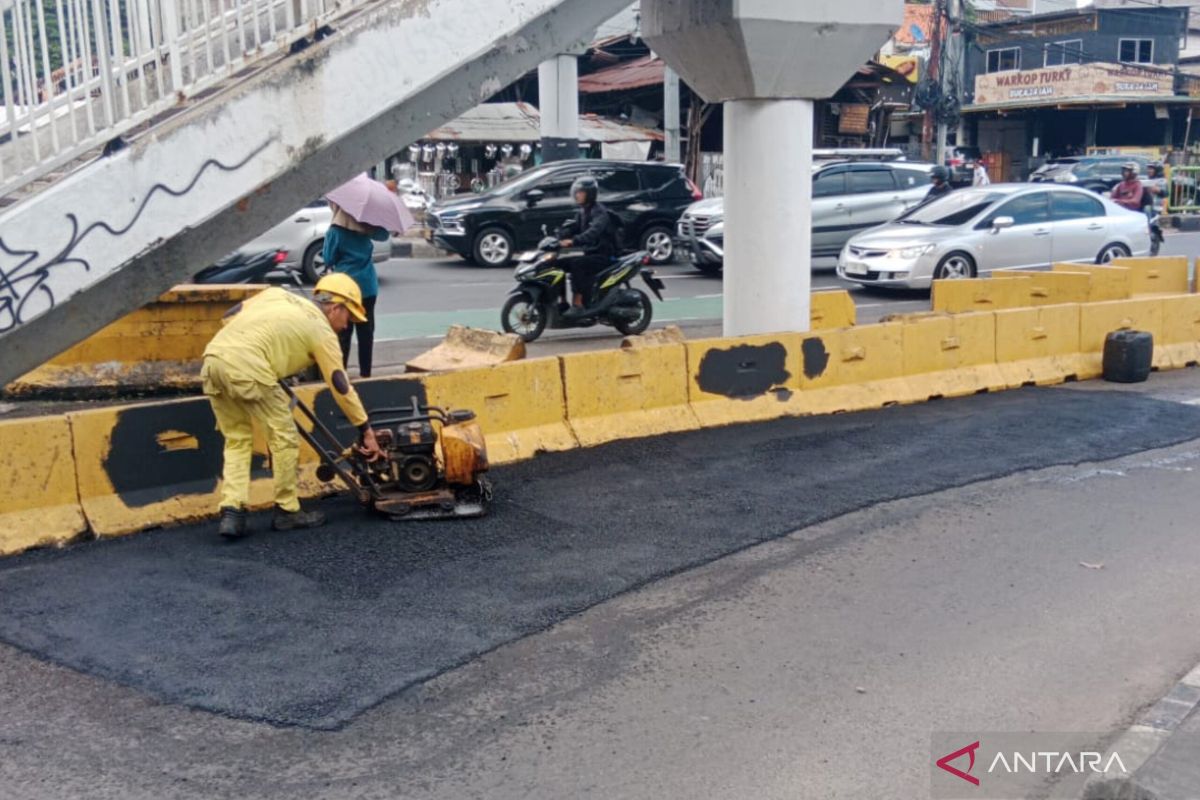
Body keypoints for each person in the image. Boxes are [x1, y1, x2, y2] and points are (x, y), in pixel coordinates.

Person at [201, 275, 383, 539]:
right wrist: (365, 429)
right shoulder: (320, 329)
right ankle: (287, 511)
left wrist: (275, 348)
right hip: (250, 368)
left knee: (237, 439)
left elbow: (230, 316)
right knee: (284, 438)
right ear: (335, 307)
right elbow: (340, 386)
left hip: (213, 361)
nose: (346, 327)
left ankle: (233, 513)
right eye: (349, 318)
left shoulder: (277, 295)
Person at [323, 202, 390, 378]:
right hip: (367, 287)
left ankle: (341, 375)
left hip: (344, 289)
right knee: (366, 333)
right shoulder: (366, 228)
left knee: (344, 334)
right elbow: (384, 234)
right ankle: (365, 374)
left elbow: (328, 259)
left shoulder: (336, 231)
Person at [557, 175, 620, 318]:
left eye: (581, 192)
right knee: (559, 260)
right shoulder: (582, 211)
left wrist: (573, 241)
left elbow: (592, 233)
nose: (577, 195)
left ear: (590, 194)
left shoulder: (599, 212)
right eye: (577, 192)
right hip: (589, 251)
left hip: (603, 253)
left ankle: (578, 303)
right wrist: (559, 235)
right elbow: (574, 227)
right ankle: (562, 301)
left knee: (577, 264)